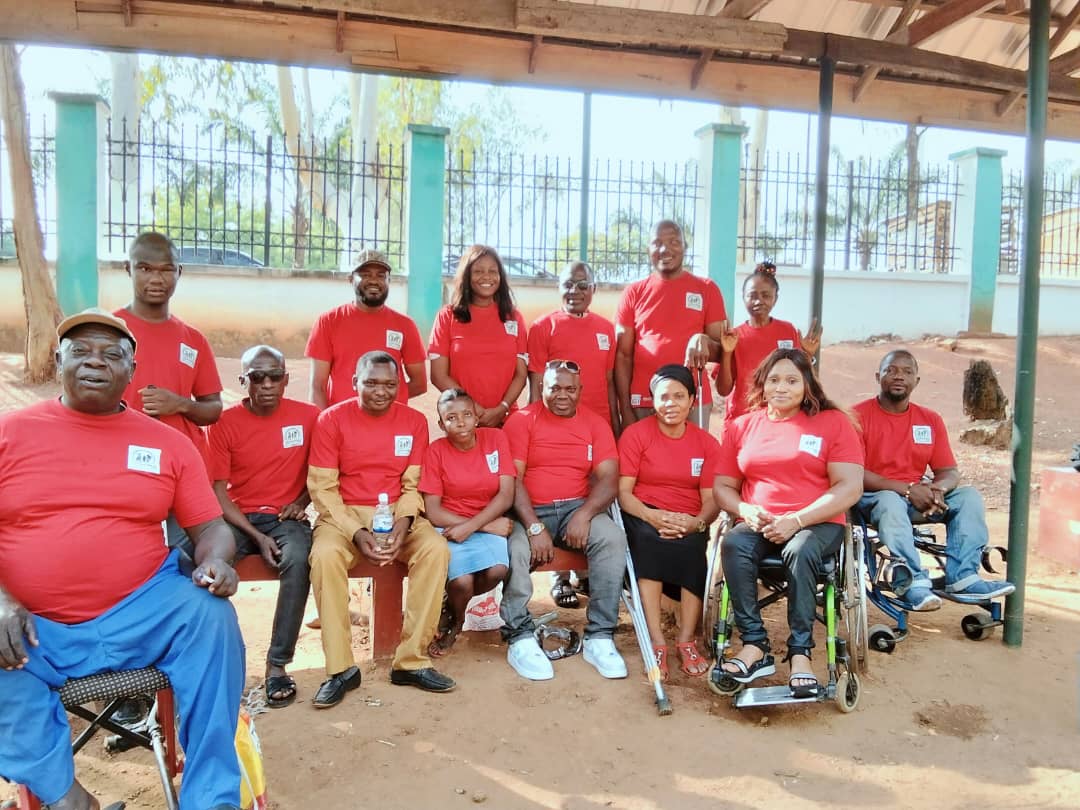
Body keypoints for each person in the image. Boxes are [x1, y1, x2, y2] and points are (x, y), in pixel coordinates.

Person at [0, 309, 245, 810]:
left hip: (142, 612)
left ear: (132, 371)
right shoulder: (9, 433)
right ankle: (67, 798)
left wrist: (216, 561)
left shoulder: (168, 443)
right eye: (81, 351)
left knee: (211, 616)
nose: (96, 362)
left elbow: (210, 527)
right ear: (57, 360)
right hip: (35, 628)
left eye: (112, 354)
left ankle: (210, 797)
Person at [713, 348, 863, 698]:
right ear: (762, 384)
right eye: (774, 380)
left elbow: (850, 486)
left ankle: (800, 653)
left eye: (792, 380)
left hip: (817, 522)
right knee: (733, 544)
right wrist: (745, 509)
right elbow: (722, 487)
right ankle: (755, 646)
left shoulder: (832, 423)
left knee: (801, 548)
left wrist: (797, 520)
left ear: (807, 384)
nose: (781, 387)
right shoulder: (742, 426)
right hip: (761, 521)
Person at [307, 351, 454, 707]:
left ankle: (411, 661)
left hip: (397, 513)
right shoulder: (331, 420)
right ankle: (341, 669)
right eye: (371, 383)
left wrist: (403, 525)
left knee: (435, 549)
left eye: (389, 384)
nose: (380, 391)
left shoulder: (414, 421)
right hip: (343, 515)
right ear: (354, 382)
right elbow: (323, 490)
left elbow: (412, 485)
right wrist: (357, 532)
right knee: (325, 556)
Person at [854, 349, 1015, 610]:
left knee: (968, 497)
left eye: (907, 372)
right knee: (889, 501)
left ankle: (963, 578)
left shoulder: (929, 420)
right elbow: (854, 472)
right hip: (874, 498)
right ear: (878, 377)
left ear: (916, 381)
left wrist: (938, 489)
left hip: (919, 498)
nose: (899, 376)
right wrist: (908, 490)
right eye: (891, 370)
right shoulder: (857, 416)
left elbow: (949, 471)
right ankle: (912, 583)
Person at [501, 360, 628, 681]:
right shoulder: (522, 421)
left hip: (576, 508)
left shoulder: (595, 424)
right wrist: (533, 526)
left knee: (612, 538)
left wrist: (584, 514)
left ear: (580, 391)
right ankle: (519, 635)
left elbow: (610, 478)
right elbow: (513, 480)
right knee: (515, 548)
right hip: (529, 510)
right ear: (541, 388)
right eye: (554, 388)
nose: (562, 395)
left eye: (570, 389)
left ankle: (600, 636)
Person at [208, 344, 319, 708]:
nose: (267, 384)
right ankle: (212, 663)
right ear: (244, 381)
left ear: (286, 379)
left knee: (299, 558)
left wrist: (300, 502)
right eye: (258, 377)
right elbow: (219, 492)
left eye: (274, 376)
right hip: (238, 518)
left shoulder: (309, 417)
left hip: (286, 517)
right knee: (202, 566)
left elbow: (322, 471)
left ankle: (277, 664)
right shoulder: (224, 423)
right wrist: (256, 536)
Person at [617, 365, 721, 680]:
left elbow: (711, 499)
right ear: (653, 400)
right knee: (649, 542)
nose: (671, 403)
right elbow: (624, 493)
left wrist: (696, 524)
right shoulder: (636, 435)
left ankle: (686, 640)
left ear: (692, 401)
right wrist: (652, 516)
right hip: (643, 512)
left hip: (689, 518)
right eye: (663, 397)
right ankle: (657, 641)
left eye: (679, 396)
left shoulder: (706, 443)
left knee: (692, 548)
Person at [527, 260, 618, 609]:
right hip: (556, 426)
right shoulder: (543, 327)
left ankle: (587, 572)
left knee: (592, 497)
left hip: (597, 427)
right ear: (558, 288)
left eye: (582, 285)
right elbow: (537, 384)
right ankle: (560, 577)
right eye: (568, 284)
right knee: (558, 494)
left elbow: (609, 381)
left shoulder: (606, 330)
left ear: (593, 290)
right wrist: (534, 429)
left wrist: (615, 423)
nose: (574, 291)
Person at [114, 231, 223, 469]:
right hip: (121, 459)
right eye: (145, 269)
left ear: (179, 272)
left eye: (166, 270)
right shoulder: (109, 331)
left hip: (181, 463)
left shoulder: (194, 340)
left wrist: (181, 404)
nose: (156, 279)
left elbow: (214, 409)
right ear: (128, 269)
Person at [419, 389, 515, 655]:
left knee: (497, 571)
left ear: (477, 417)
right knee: (463, 583)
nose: (461, 422)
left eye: (467, 415)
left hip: (484, 519)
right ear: (441, 424)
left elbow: (506, 494)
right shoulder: (436, 451)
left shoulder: (495, 439)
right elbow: (433, 510)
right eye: (451, 418)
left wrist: (475, 526)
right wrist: (482, 526)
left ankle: (451, 607)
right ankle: (457, 620)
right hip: (450, 525)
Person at [614, 219, 727, 429]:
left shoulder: (707, 289)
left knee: (693, 451)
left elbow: (722, 350)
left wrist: (702, 340)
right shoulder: (633, 292)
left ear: (685, 246)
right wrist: (626, 409)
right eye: (657, 243)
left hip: (692, 399)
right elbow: (622, 355)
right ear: (648, 249)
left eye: (674, 242)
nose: (665, 249)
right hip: (643, 399)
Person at [306, 249, 427, 410]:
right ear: (351, 279)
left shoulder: (405, 325)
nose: (374, 281)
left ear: (389, 280)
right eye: (365, 275)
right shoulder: (328, 322)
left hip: (390, 422)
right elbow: (317, 386)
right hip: (342, 420)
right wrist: (325, 422)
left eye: (381, 275)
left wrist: (381, 402)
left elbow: (419, 383)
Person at [428, 245, 528, 427]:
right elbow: (438, 375)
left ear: (500, 276)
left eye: (493, 271)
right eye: (478, 271)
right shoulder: (448, 316)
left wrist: (502, 408)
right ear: (467, 276)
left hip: (506, 420)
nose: (486, 277)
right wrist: (472, 408)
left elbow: (520, 375)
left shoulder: (513, 317)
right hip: (463, 422)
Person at [714, 262, 822, 423]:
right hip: (744, 418)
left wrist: (808, 354)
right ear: (743, 296)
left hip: (781, 417)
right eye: (752, 295)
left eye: (766, 295)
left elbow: (801, 379)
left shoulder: (788, 331)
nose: (759, 301)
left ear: (775, 298)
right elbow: (723, 390)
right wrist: (727, 352)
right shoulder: (733, 337)